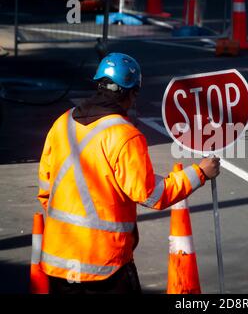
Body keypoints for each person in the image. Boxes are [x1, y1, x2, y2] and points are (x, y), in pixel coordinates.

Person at [36, 52, 220, 294]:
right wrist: (200, 173)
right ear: (131, 94)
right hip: (104, 268)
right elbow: (151, 194)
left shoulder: (62, 123)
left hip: (57, 262)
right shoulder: (124, 135)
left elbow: (46, 189)